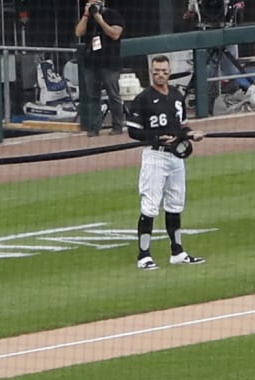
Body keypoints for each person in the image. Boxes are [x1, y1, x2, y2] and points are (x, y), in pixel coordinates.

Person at [126, 55, 206, 270]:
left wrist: (191, 134)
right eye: (156, 71)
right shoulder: (143, 98)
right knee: (150, 206)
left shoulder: (177, 96)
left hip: (176, 157)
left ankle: (177, 251)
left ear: (169, 72)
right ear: (151, 73)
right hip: (155, 156)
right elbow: (133, 131)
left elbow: (182, 126)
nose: (160, 74)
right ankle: (143, 255)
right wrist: (156, 136)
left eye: (163, 70)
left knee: (175, 204)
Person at [75, 0, 127, 136]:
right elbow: (78, 32)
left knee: (113, 95)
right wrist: (86, 15)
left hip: (109, 62)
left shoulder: (113, 15)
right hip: (91, 63)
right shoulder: (88, 18)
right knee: (93, 96)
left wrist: (100, 18)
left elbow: (115, 34)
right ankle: (94, 127)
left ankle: (117, 125)